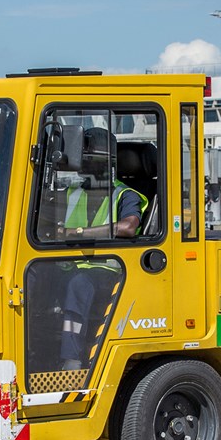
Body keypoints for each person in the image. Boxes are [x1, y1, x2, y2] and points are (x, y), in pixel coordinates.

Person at [50, 127, 146, 371]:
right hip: (72, 264)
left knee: (78, 285)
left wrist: (78, 233)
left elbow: (128, 227)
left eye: (85, 161)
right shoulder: (73, 193)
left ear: (104, 162)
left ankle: (71, 361)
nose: (80, 168)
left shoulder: (125, 195)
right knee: (31, 277)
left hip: (107, 268)